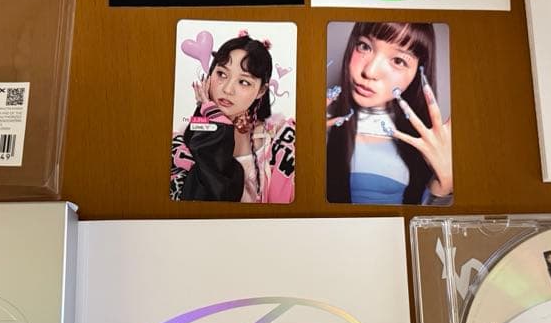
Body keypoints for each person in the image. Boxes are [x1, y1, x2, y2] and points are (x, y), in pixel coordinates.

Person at [325, 22, 452, 205]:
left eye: (398, 61)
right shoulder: (323, 127)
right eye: (364, 46)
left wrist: (443, 185)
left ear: (418, 73)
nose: (370, 71)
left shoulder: (423, 143)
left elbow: (420, 219)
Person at [170, 33, 295, 203]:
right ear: (209, 75)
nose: (228, 89)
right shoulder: (181, 139)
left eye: (244, 82)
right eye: (222, 74)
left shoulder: (278, 140)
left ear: (261, 91)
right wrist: (213, 118)